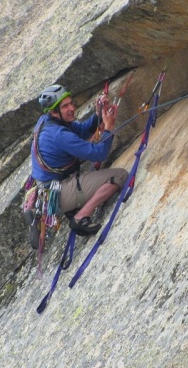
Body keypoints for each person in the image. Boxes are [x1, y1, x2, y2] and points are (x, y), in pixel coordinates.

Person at [25, 84, 128, 247]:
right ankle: (80, 217)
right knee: (120, 175)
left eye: (71, 103)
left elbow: (82, 131)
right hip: (58, 190)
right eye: (65, 106)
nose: (72, 108)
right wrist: (108, 128)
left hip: (48, 187)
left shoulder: (48, 121)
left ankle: (59, 208)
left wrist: (98, 115)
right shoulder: (59, 134)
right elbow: (99, 153)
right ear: (53, 111)